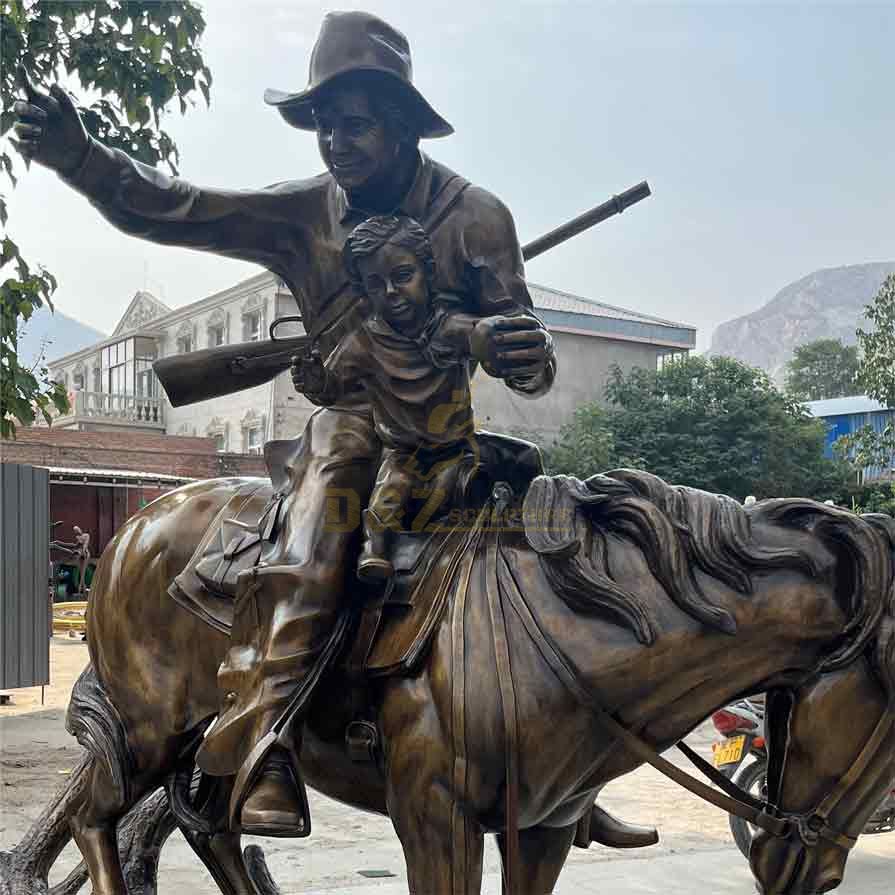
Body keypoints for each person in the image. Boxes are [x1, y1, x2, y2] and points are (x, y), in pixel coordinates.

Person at [13, 11, 651, 848]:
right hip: (351, 433)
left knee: (553, 547)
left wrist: (521, 351)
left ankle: (558, 759)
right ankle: (265, 729)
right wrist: (84, 159)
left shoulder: (477, 217)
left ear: (401, 125)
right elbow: (172, 206)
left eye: (355, 123)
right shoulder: (301, 211)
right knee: (318, 538)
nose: (335, 142)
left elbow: (525, 359)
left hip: (447, 432)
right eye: (323, 124)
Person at [302, 213, 489, 579]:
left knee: (517, 466)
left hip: (460, 448)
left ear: (429, 272)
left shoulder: (449, 326)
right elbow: (331, 390)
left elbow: (478, 334)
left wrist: (492, 338)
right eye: (376, 284)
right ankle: (374, 552)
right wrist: (313, 381)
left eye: (403, 276)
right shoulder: (362, 342)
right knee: (391, 492)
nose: (390, 291)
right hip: (404, 454)